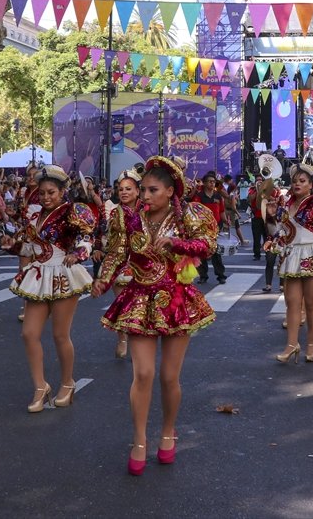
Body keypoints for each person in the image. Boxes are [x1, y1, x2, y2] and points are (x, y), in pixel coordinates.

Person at [93, 155, 217, 475]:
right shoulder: (128, 218)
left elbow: (207, 245)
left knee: (168, 377)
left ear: (170, 192)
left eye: (151, 190)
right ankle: (138, 439)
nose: (144, 196)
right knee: (143, 374)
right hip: (139, 299)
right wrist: (103, 280)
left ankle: (167, 432)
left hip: (177, 300)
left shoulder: (188, 216)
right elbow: (117, 253)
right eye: (143, 190)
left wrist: (177, 243)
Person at [8, 166, 95, 412]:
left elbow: (87, 239)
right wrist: (12, 247)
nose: (45, 197)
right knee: (29, 333)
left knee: (59, 335)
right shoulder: (34, 217)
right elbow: (28, 249)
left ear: (62, 191)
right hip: (38, 275)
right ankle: (40, 386)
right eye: (42, 193)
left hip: (64, 274)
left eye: (51, 192)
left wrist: (78, 253)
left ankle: (67, 383)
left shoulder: (72, 212)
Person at [272, 158, 313, 365]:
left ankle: (311, 343)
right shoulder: (286, 204)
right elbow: (282, 231)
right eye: (295, 181)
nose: (297, 184)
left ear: (311, 185)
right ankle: (291, 345)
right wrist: (272, 237)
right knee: (291, 303)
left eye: (303, 181)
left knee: (311, 303)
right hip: (292, 255)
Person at [97, 165, 145, 359]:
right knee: (122, 303)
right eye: (121, 189)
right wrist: (100, 249)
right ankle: (122, 339)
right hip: (121, 263)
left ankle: (139, 338)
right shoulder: (114, 211)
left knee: (140, 305)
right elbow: (104, 233)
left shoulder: (149, 210)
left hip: (144, 264)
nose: (124, 192)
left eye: (128, 189)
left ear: (137, 191)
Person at [191, 172, 227, 285]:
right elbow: (196, 211)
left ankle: (221, 275)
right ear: (205, 183)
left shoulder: (218, 196)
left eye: (213, 182)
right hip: (203, 228)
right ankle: (203, 275)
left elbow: (221, 211)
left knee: (216, 252)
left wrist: (226, 221)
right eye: (210, 182)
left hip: (216, 228)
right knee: (202, 252)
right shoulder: (199, 196)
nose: (212, 183)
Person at [252, 179, 281, 293]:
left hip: (282, 237)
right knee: (270, 261)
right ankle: (268, 284)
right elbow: (258, 204)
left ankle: (282, 285)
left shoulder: (279, 201)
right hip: (271, 237)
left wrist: (276, 200)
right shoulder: (264, 204)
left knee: (282, 261)